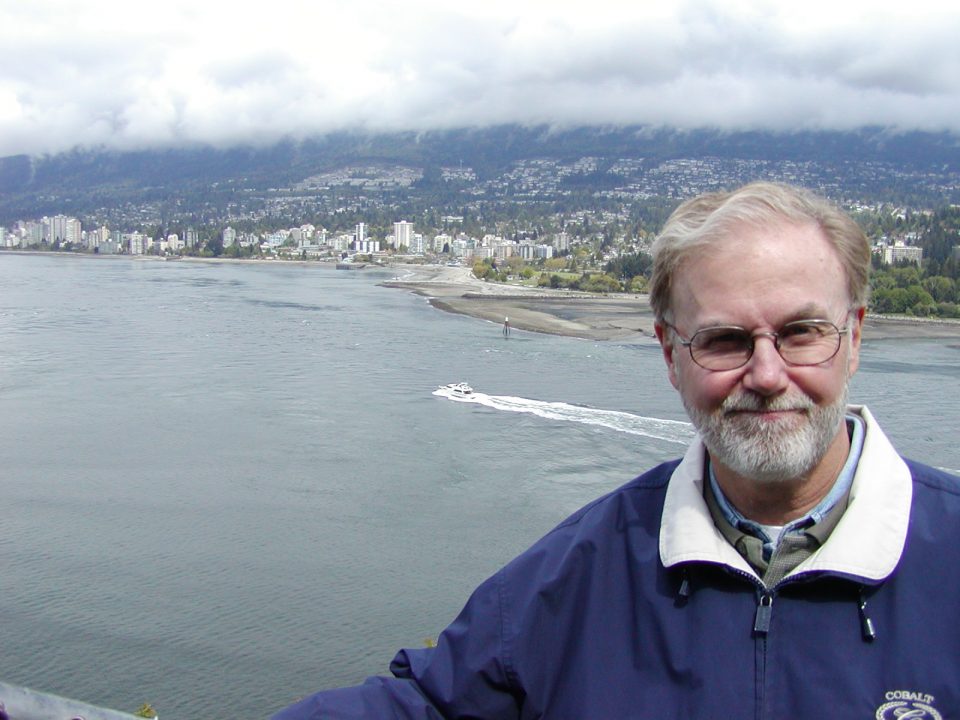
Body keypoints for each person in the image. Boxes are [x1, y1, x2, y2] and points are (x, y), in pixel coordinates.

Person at [273, 182, 960, 719]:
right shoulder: (578, 573)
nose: (767, 374)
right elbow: (432, 707)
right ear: (670, 354)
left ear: (856, 337)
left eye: (802, 332)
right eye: (724, 341)